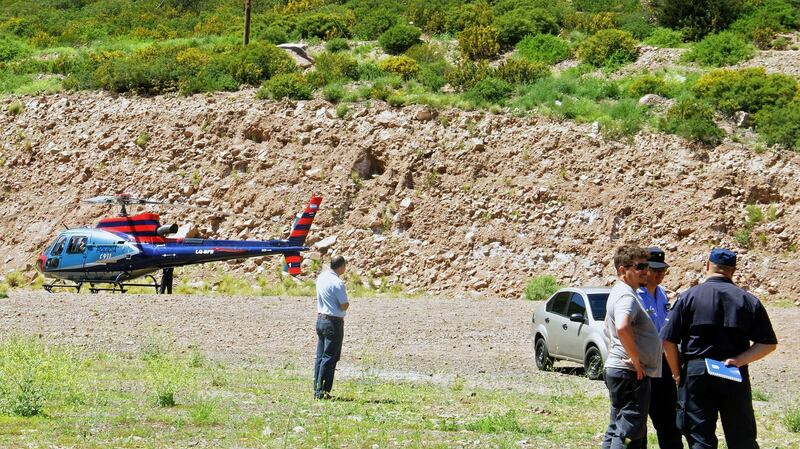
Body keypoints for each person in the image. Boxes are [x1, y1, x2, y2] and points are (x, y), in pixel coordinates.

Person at [661, 248, 778, 449]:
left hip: (697, 372)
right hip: (733, 371)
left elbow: (668, 340)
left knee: (700, 437)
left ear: (707, 265)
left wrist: (677, 374)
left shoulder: (689, 297)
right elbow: (768, 344)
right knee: (742, 437)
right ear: (733, 270)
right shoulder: (748, 300)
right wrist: (739, 360)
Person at [603, 245, 664, 449]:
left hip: (621, 370)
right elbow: (622, 327)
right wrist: (636, 360)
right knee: (629, 431)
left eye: (647, 266)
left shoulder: (623, 292)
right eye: (640, 267)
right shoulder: (626, 296)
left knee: (617, 427)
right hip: (629, 372)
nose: (646, 271)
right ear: (623, 270)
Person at [637, 247, 683, 449]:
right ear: (644, 270)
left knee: (669, 420)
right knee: (637, 423)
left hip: (662, 364)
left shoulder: (662, 293)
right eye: (655, 270)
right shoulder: (634, 294)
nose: (660, 274)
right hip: (642, 365)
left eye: (663, 270)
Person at [313, 255, 349, 400]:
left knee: (320, 357)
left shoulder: (321, 278)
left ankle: (317, 389)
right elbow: (344, 305)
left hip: (321, 319)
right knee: (330, 357)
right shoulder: (338, 282)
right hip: (333, 322)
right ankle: (322, 391)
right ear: (341, 266)